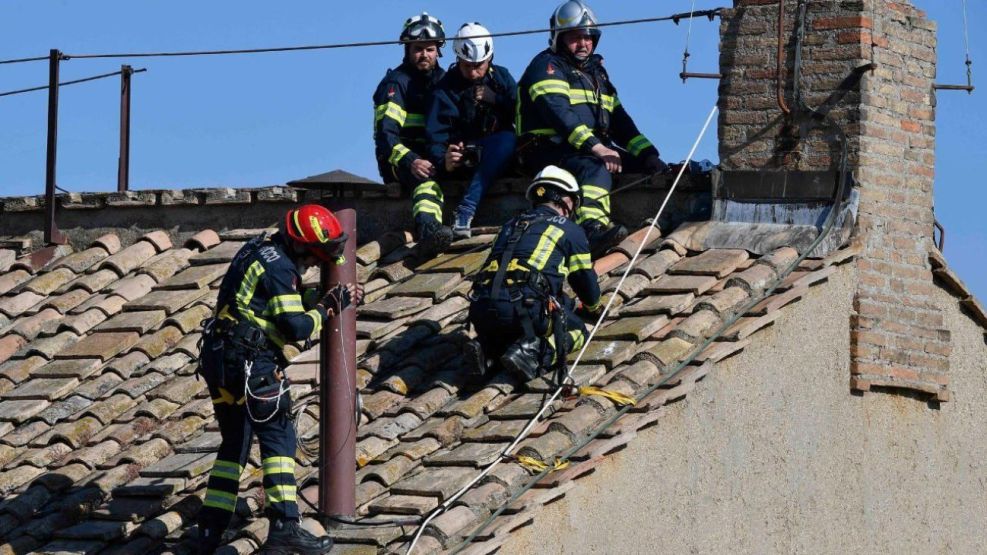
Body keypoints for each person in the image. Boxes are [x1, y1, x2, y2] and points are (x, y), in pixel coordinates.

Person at [195, 205, 363, 555]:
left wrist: (317, 298)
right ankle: (285, 526)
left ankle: (209, 530)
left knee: (233, 446)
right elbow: (295, 326)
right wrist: (328, 307)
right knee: (279, 442)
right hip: (252, 365)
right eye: (316, 258)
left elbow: (273, 303)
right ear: (302, 246)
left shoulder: (258, 250)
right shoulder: (281, 266)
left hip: (219, 361)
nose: (317, 265)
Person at [516, 0, 667, 258]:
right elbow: (560, 115)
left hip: (583, 150)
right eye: (575, 37)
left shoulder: (597, 75)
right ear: (558, 38)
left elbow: (620, 122)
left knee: (642, 167)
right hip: (546, 151)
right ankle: (591, 229)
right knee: (595, 167)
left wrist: (649, 156)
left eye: (588, 37)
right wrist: (597, 147)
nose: (583, 44)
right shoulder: (546, 67)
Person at [466, 165, 603, 381]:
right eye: (574, 201)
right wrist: (594, 307)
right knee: (579, 332)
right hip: (524, 312)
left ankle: (487, 349)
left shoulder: (510, 225)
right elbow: (583, 279)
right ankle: (534, 355)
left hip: (481, 309)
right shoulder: (570, 229)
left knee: (510, 324)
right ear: (564, 199)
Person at [424, 22, 518, 239]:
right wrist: (444, 160)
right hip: (467, 162)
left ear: (490, 59)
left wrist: (496, 99)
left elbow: (523, 111)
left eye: (480, 66)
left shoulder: (501, 78)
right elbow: (434, 139)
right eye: (468, 66)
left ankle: (467, 208)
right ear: (458, 60)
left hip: (505, 156)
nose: (475, 72)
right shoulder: (443, 91)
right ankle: (465, 211)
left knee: (507, 139)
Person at [372, 12, 451, 257]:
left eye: (429, 49)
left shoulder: (446, 81)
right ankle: (429, 233)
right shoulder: (395, 84)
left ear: (439, 50)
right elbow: (386, 136)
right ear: (407, 49)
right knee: (427, 185)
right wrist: (411, 161)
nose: (424, 55)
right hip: (399, 160)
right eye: (418, 49)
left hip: (434, 156)